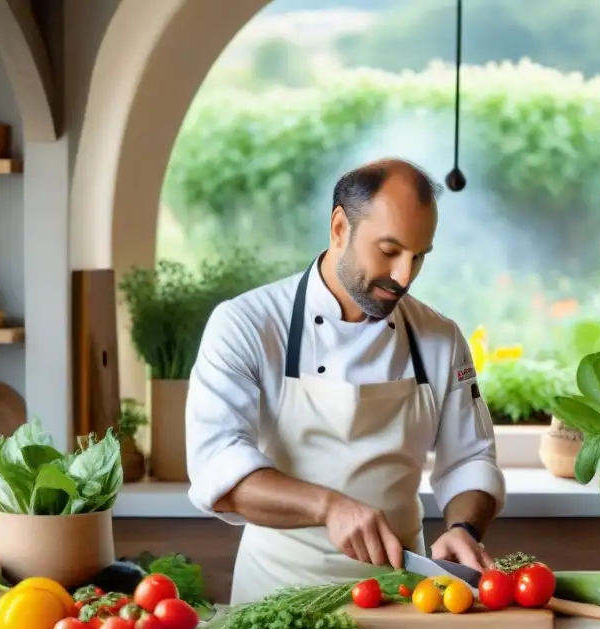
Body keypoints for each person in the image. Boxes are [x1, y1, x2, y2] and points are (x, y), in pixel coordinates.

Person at [185, 158, 506, 604]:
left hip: (402, 600)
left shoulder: (439, 338)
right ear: (340, 228)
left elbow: (469, 458)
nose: (404, 276)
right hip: (277, 600)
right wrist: (328, 507)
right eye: (389, 250)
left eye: (419, 257)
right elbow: (218, 470)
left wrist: (463, 528)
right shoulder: (246, 325)